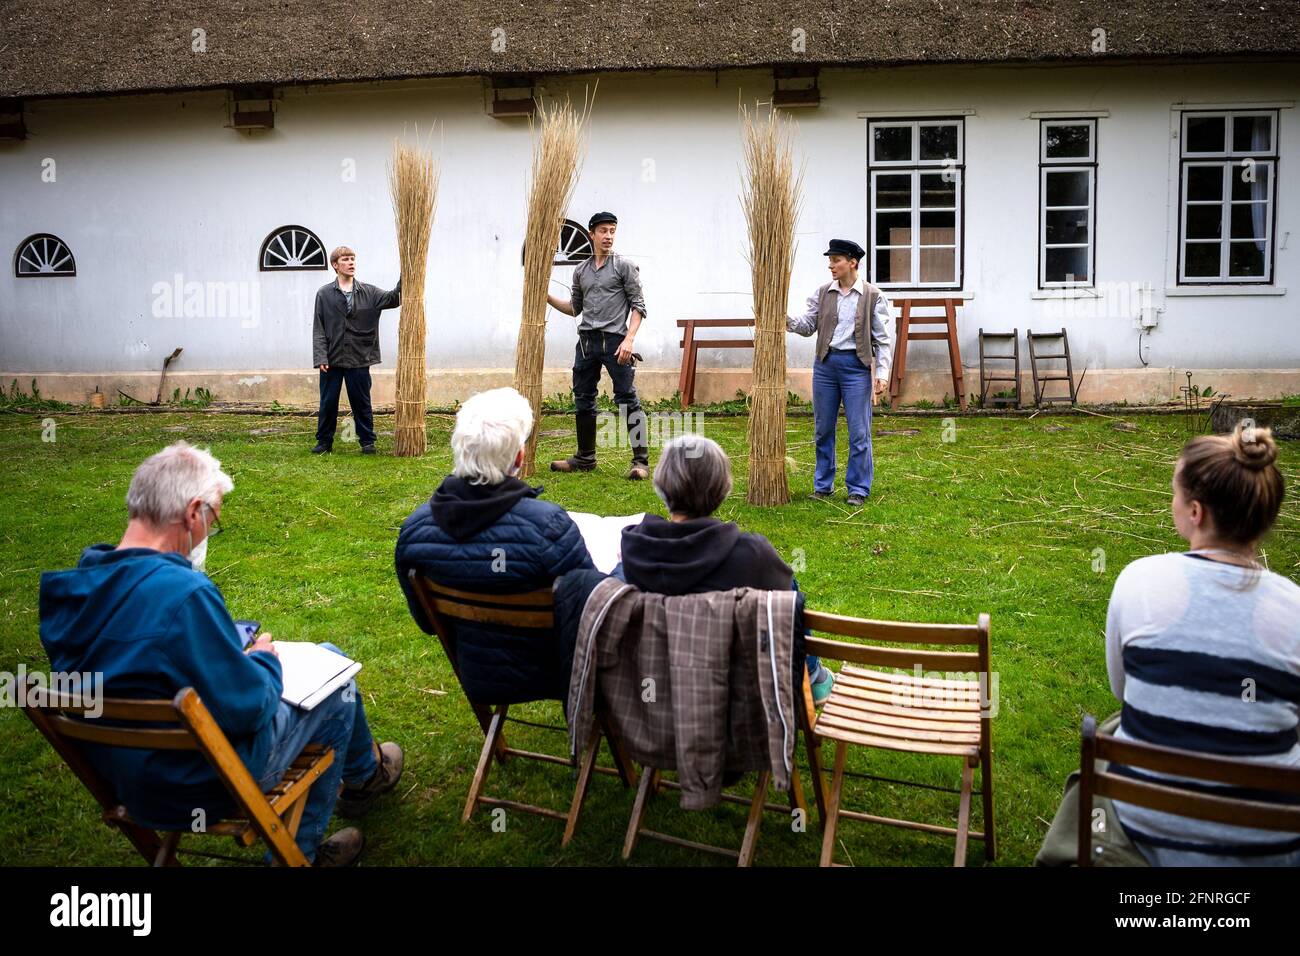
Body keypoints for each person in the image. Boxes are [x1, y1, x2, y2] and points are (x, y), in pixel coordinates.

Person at [38, 442, 403, 866]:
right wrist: (264, 658)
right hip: (203, 781)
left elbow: (139, 663)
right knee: (335, 681)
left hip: (125, 779)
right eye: (214, 518)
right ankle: (303, 849)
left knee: (323, 659)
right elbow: (250, 708)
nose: (210, 529)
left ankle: (361, 779)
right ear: (193, 513)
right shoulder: (181, 595)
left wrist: (222, 652)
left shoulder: (71, 591)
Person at [1105, 422, 1299, 865]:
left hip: (1148, 823)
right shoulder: (1294, 608)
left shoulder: (1139, 580)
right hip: (1272, 844)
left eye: (1175, 494)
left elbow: (1122, 691)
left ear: (1196, 513)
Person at [395, 387, 596, 703]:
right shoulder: (550, 528)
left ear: (458, 449)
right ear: (518, 458)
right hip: (556, 672)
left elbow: (427, 623)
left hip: (476, 673)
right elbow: (593, 613)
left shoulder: (415, 532)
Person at [613, 434, 836, 704]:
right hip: (734, 696)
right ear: (722, 488)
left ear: (661, 485)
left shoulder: (634, 552)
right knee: (789, 593)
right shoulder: (753, 556)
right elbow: (787, 612)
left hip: (655, 690)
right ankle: (812, 676)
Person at [787, 239, 893, 506]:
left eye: (836, 260)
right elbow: (808, 325)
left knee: (859, 432)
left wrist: (882, 372)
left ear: (852, 262)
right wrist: (785, 319)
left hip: (856, 369)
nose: (831, 265)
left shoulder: (872, 295)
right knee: (823, 429)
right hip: (825, 366)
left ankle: (858, 488)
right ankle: (823, 485)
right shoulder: (823, 293)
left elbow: (882, 338)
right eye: (830, 260)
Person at [546, 211, 650, 479]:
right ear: (592, 234)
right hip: (586, 343)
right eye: (603, 231)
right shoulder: (581, 271)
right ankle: (585, 459)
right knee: (583, 400)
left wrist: (629, 339)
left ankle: (641, 463)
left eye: (613, 231)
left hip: (616, 342)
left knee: (627, 399)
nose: (609, 236)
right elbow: (574, 309)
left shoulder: (624, 266)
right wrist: (545, 297)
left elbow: (638, 305)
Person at [311, 245, 401, 455]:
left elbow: (394, 298)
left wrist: (406, 275)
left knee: (362, 402)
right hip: (332, 358)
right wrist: (321, 356)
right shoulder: (324, 294)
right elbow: (319, 327)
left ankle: (367, 442)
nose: (351, 263)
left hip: (360, 357)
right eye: (345, 259)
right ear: (335, 265)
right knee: (328, 402)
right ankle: (324, 442)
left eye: (352, 259)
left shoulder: (369, 292)